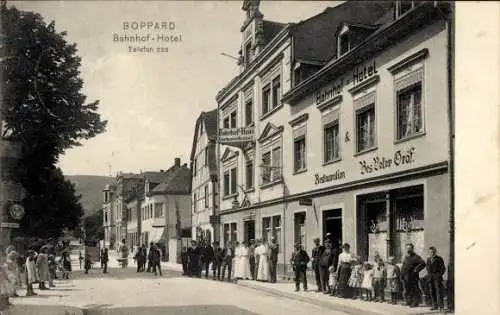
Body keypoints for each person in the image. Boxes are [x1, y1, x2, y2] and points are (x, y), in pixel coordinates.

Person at [401, 243, 426, 308]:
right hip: (406, 276)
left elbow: (423, 263)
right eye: (407, 248)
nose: (408, 249)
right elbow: (403, 266)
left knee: (414, 289)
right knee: (408, 289)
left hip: (413, 277)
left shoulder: (416, 257)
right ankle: (409, 301)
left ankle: (415, 303)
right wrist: (402, 274)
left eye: (409, 248)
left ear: (412, 249)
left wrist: (416, 269)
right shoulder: (406, 257)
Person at [426, 246, 446, 312]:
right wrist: (429, 275)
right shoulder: (428, 259)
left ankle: (441, 307)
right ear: (428, 252)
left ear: (435, 252)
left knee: (439, 292)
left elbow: (443, 268)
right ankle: (434, 306)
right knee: (432, 292)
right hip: (430, 278)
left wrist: (438, 275)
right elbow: (427, 268)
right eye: (430, 252)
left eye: (433, 252)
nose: (431, 253)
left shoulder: (439, 259)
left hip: (437, 278)